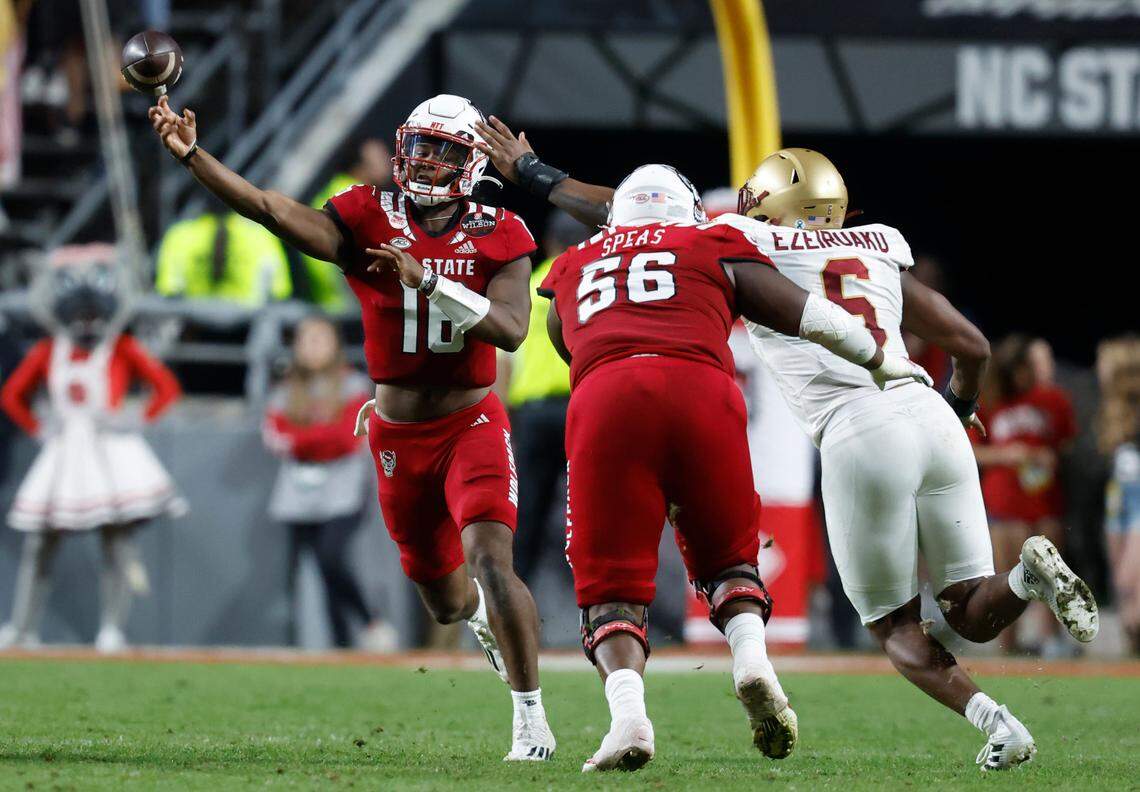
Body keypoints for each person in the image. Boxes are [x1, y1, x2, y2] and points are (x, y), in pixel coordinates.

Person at [476, 124, 1099, 771]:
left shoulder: (747, 237)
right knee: (970, 610)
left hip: (859, 426)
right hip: (931, 414)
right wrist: (961, 411)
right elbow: (971, 344)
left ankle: (999, 724)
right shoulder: (880, 245)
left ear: (765, 205)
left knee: (897, 629)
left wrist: (535, 172)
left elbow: (634, 213)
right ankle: (1026, 576)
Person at [147, 92, 554, 761]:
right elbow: (273, 210)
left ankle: (530, 719)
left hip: (470, 419)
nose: (423, 158)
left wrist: (428, 284)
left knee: (491, 556)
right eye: (418, 144)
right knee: (448, 600)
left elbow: (510, 330)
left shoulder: (499, 229)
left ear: (472, 162)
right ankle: (481, 618)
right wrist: (195, 158)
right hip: (398, 434)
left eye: (441, 149)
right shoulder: (368, 214)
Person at [534, 162, 929, 771]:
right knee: (728, 558)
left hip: (606, 393)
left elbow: (567, 341)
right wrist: (879, 360)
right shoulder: (711, 238)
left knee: (610, 582)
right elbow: (805, 311)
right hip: (702, 389)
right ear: (685, 209)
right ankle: (750, 658)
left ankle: (629, 717)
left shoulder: (574, 261)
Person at [0, 244, 185, 652]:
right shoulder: (49, 350)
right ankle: (22, 627)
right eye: (80, 316)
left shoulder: (121, 347)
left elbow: (166, 389)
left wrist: (132, 417)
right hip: (65, 450)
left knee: (116, 540)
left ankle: (111, 629)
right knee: (40, 541)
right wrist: (39, 427)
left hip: (109, 449)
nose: (87, 323)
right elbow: (12, 395)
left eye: (93, 315)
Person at [263, 315, 397, 651]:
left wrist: (305, 440)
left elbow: (346, 437)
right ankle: (341, 645)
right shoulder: (285, 389)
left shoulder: (353, 386)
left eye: (320, 339)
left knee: (331, 555)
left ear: (335, 344)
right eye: (306, 339)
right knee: (319, 569)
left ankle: (370, 620)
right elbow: (276, 436)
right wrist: (316, 440)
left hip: (344, 488)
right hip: (299, 490)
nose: (313, 346)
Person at [973, 334, 1078, 654]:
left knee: (1049, 574)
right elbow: (971, 452)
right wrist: (1009, 454)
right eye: (1022, 369)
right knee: (1008, 579)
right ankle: (1009, 646)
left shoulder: (1052, 400)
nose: (1028, 375)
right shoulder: (988, 402)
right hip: (1003, 503)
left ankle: (1050, 641)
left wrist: (1050, 456)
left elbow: (1067, 444)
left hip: (1043, 501)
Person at [498, 211, 585, 585]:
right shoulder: (590, 283)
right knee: (590, 507)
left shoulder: (530, 286)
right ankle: (604, 605)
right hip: (579, 408)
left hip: (531, 414)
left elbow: (503, 360)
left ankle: (514, 602)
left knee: (527, 511)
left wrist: (503, 418)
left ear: (548, 242)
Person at [302, 139, 394, 311]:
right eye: (379, 158)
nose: (388, 161)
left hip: (337, 302)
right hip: (350, 304)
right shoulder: (353, 198)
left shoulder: (339, 191)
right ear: (359, 165)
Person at [155, 206, 293, 306]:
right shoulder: (261, 236)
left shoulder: (180, 234)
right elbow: (279, 291)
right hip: (247, 329)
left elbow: (168, 289)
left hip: (196, 326)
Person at [1098, 336, 1140, 654]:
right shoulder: (1112, 408)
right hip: (1118, 504)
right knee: (1122, 584)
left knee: (1130, 580)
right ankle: (1129, 660)